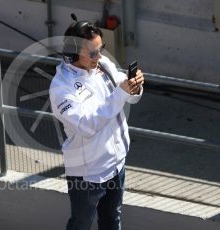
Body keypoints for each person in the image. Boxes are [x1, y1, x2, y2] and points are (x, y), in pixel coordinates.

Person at [49, 16, 144, 230]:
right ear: (74, 52)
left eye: (101, 48)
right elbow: (87, 126)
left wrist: (134, 86)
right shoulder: (61, 88)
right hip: (87, 173)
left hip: (116, 163)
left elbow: (125, 89)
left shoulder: (102, 63)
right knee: (81, 225)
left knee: (112, 221)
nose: (99, 56)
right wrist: (122, 92)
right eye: (93, 53)